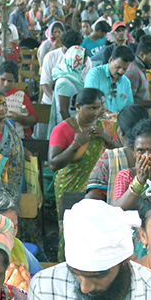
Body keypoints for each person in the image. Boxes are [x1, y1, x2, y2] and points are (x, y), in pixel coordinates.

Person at [48, 88, 119, 220]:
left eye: (99, 108)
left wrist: (106, 138)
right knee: (71, 226)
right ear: (78, 107)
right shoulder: (62, 129)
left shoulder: (105, 127)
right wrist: (75, 144)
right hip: (70, 186)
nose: (96, 113)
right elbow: (53, 164)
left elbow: (120, 153)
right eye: (92, 108)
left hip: (98, 189)